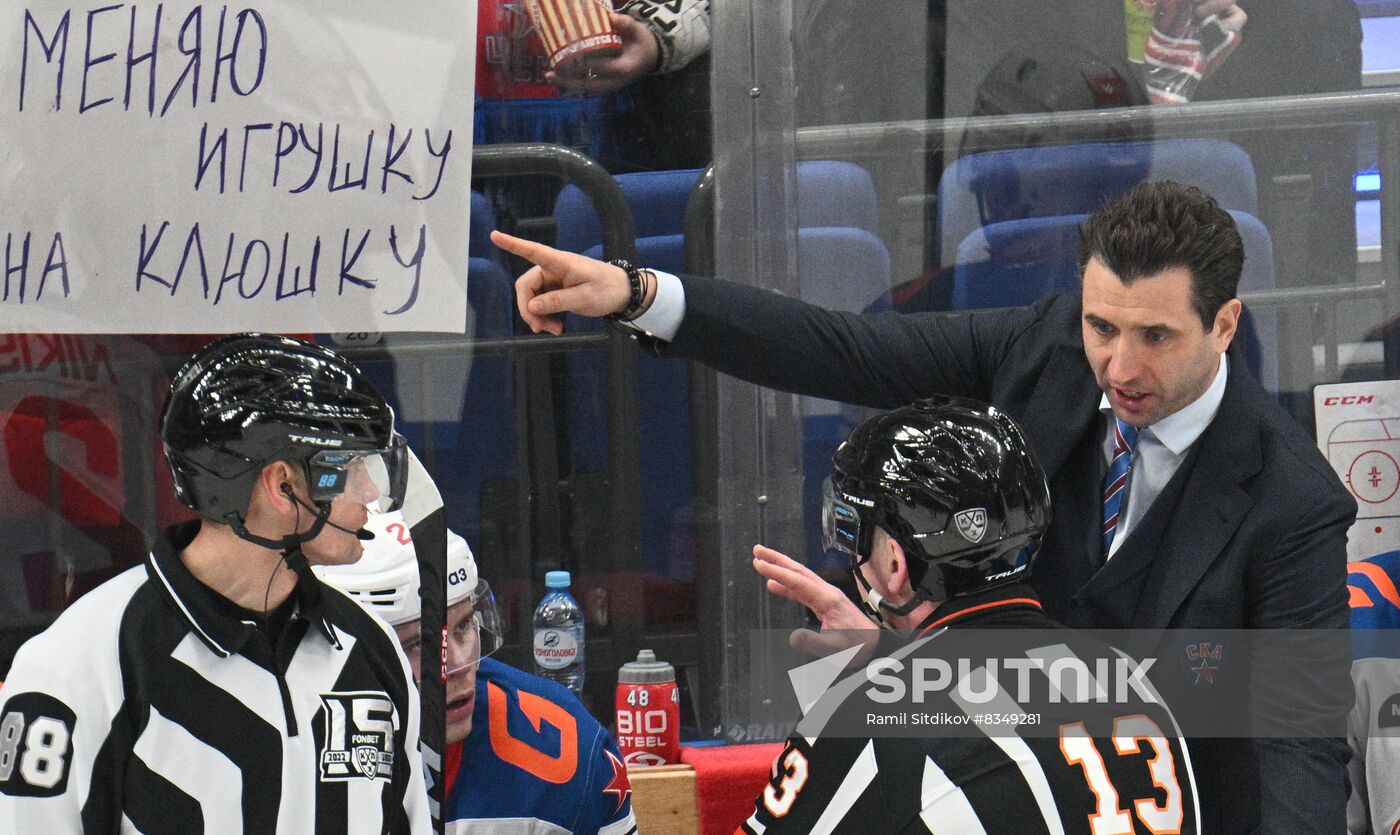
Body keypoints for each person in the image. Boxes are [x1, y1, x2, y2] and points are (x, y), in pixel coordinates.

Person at [495, 179, 1356, 831]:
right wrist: (644, 295)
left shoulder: (1292, 501)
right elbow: (849, 350)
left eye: (1156, 336)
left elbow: (1300, 749)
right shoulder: (1046, 345)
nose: (1119, 366)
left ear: (1228, 324)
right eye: (1103, 327)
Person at [0, 333, 431, 833]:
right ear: (282, 486)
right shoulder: (76, 665)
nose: (372, 491)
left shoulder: (372, 647)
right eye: (350, 465)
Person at [741, 396, 1201, 833]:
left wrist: (866, 688)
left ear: (897, 565)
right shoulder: (1134, 682)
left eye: (854, 534)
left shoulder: (866, 721)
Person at [319, 511, 639, 835]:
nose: (457, 665)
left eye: (463, 627)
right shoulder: (286, 739)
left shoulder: (565, 743)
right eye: (419, 643)